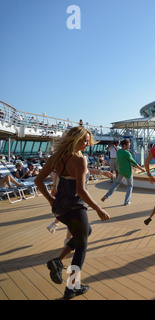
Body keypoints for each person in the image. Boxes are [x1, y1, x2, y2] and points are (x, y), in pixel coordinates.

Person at [34, 126, 110, 300]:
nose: (87, 144)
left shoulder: (56, 157)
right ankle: (72, 287)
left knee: (85, 232)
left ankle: (58, 261)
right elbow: (81, 191)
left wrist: (51, 200)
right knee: (82, 246)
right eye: (84, 141)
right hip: (75, 208)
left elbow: (38, 181)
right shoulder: (79, 160)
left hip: (60, 208)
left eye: (88, 141)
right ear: (75, 140)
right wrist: (99, 209)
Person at [101, 139, 145, 206]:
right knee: (130, 186)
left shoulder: (118, 152)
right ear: (124, 145)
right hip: (127, 172)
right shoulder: (127, 153)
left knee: (116, 183)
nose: (129, 147)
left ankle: (106, 196)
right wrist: (141, 169)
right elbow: (134, 163)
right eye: (128, 145)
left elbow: (120, 161)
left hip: (121, 171)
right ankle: (126, 202)